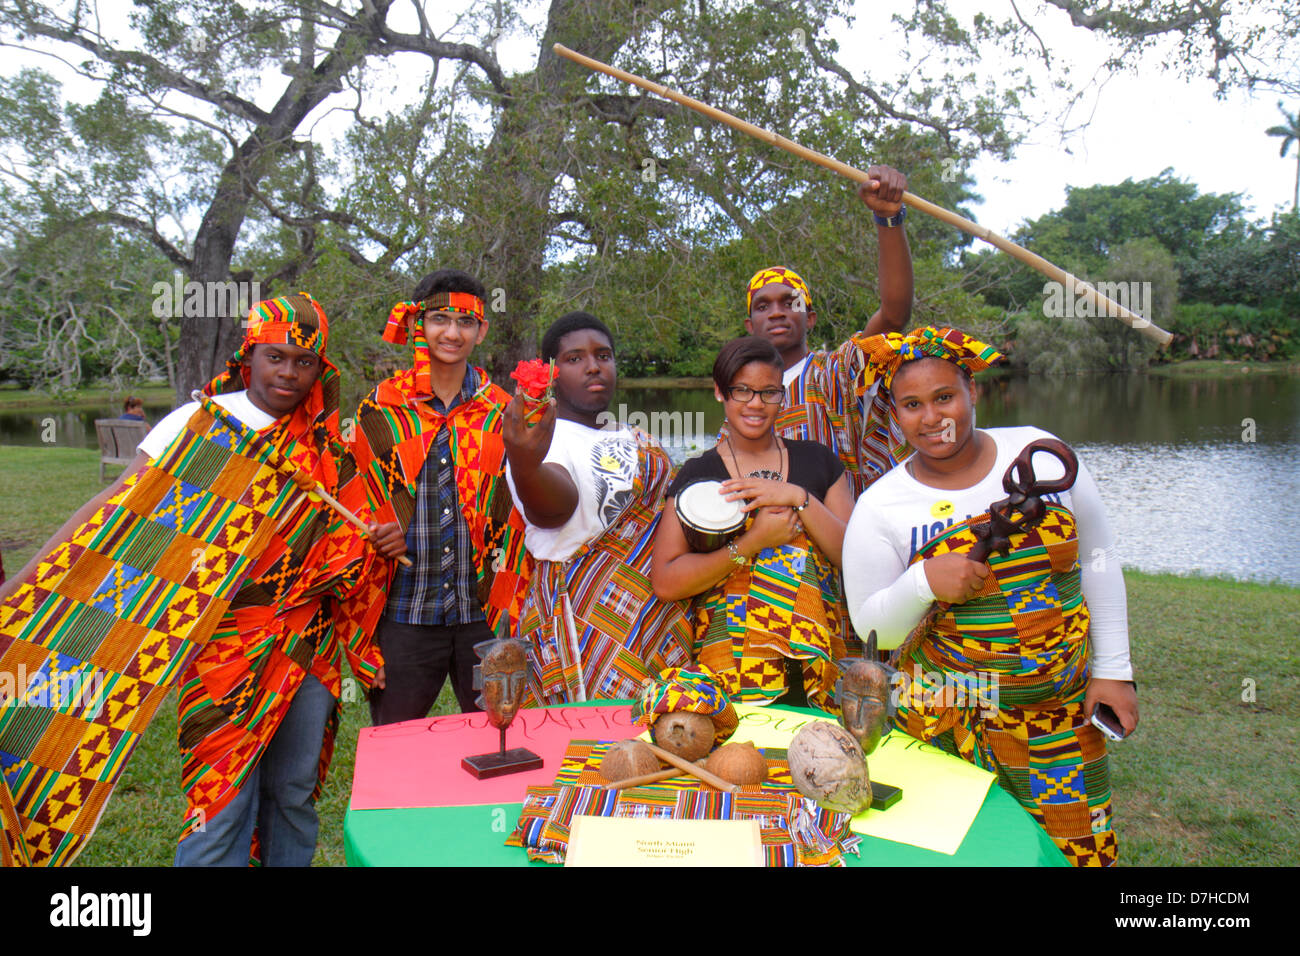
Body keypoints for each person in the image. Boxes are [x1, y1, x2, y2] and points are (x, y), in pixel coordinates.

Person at [841, 326, 1138, 867]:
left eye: (944, 397)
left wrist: (1114, 669)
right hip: (944, 713)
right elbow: (869, 626)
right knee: (960, 849)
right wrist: (924, 581)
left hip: (1057, 710)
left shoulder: (1039, 456)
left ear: (973, 392)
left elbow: (1099, 560)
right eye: (911, 405)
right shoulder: (882, 506)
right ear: (894, 413)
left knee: (1072, 850)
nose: (931, 418)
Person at [147, 293, 404, 866]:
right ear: (249, 356)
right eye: (276, 357)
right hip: (220, 642)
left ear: (320, 369)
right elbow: (123, 515)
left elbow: (353, 545)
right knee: (220, 800)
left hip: (306, 646)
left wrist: (383, 542)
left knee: (292, 796)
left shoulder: (329, 451)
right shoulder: (202, 426)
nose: (289, 372)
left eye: (303, 361)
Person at [348, 269, 529, 726]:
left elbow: (519, 511)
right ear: (417, 325)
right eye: (440, 319)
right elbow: (352, 503)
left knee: (500, 737)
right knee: (397, 743)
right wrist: (371, 533)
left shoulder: (503, 413)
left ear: (482, 330)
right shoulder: (381, 409)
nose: (452, 332)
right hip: (405, 611)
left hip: (484, 613)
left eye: (465, 322)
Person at [652, 337, 856, 710]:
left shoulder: (818, 462)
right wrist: (752, 541)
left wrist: (798, 497)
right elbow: (666, 581)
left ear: (783, 394)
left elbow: (852, 558)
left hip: (816, 651)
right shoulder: (698, 476)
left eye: (768, 392)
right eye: (742, 391)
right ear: (720, 392)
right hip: (728, 659)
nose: (756, 404)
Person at [502, 311, 692, 703]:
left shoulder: (636, 435)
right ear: (552, 372)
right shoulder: (544, 440)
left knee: (663, 733)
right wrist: (525, 467)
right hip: (586, 622)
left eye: (603, 356)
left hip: (656, 614)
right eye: (575, 359)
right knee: (589, 746)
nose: (593, 367)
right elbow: (553, 507)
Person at [744, 165, 914, 499]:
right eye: (763, 306)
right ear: (750, 327)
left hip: (845, 537)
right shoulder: (742, 399)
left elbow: (894, 315)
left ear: (810, 319)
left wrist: (887, 218)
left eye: (789, 303)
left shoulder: (836, 373)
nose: (777, 311)